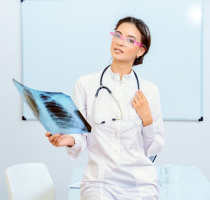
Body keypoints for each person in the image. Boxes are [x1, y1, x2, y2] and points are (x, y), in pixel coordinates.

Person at [46, 16, 164, 200]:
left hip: (140, 183)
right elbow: (81, 135)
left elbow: (152, 149)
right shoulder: (85, 84)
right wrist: (68, 140)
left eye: (130, 40)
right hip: (99, 182)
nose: (120, 42)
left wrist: (147, 120)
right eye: (118, 35)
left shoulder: (149, 91)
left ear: (141, 51)